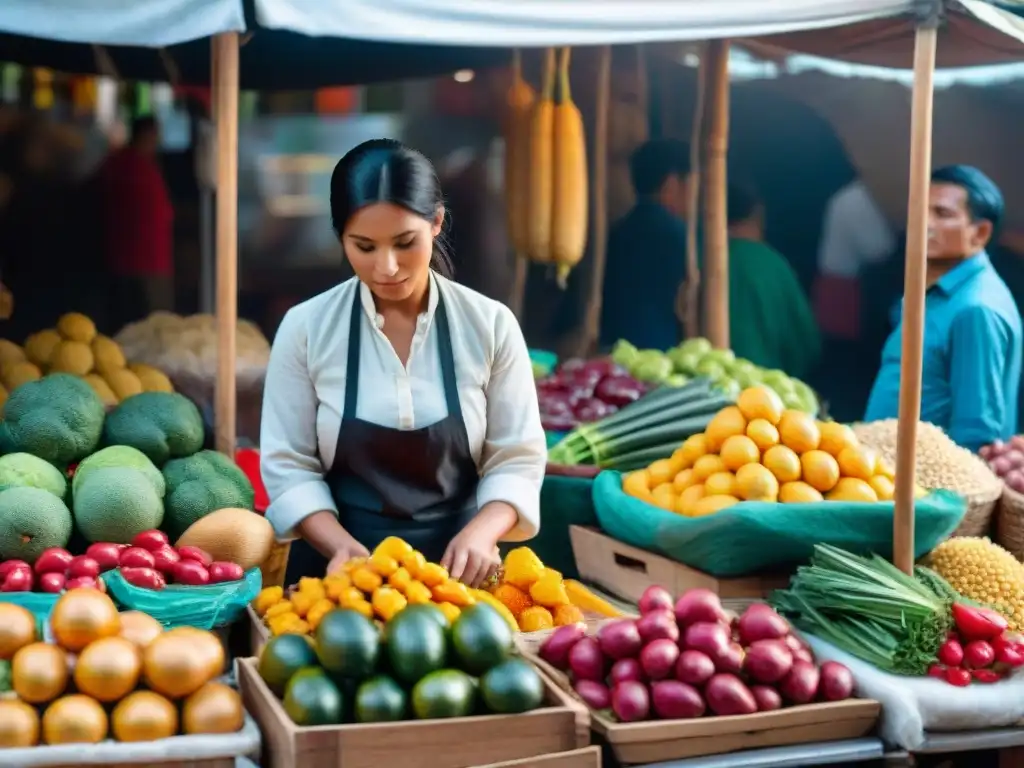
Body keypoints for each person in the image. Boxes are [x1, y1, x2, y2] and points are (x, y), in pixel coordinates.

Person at [261, 138, 546, 587]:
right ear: (341, 237)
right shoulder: (306, 328)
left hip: (460, 581)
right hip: (339, 581)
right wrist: (339, 548)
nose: (387, 267)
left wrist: (482, 532)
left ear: (436, 222)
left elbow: (517, 458)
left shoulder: (489, 325)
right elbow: (288, 464)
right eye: (364, 247)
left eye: (404, 242)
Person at [864, 165, 1022, 451]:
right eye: (919, 209)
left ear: (980, 233)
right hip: (893, 485)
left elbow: (977, 435)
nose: (923, 223)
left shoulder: (976, 309)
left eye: (942, 213)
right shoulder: (935, 294)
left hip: (933, 493)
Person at [600, 139, 690, 351]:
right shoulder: (679, 234)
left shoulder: (618, 231)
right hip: (659, 353)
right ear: (672, 184)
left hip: (615, 349)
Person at [726, 183, 821, 380]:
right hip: (770, 388)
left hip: (711, 384)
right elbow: (806, 339)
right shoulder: (773, 264)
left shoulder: (701, 261)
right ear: (757, 215)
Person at [96, 116, 174, 329]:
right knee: (154, 329)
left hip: (125, 259)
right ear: (148, 136)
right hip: (146, 261)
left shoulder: (116, 164)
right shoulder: (135, 167)